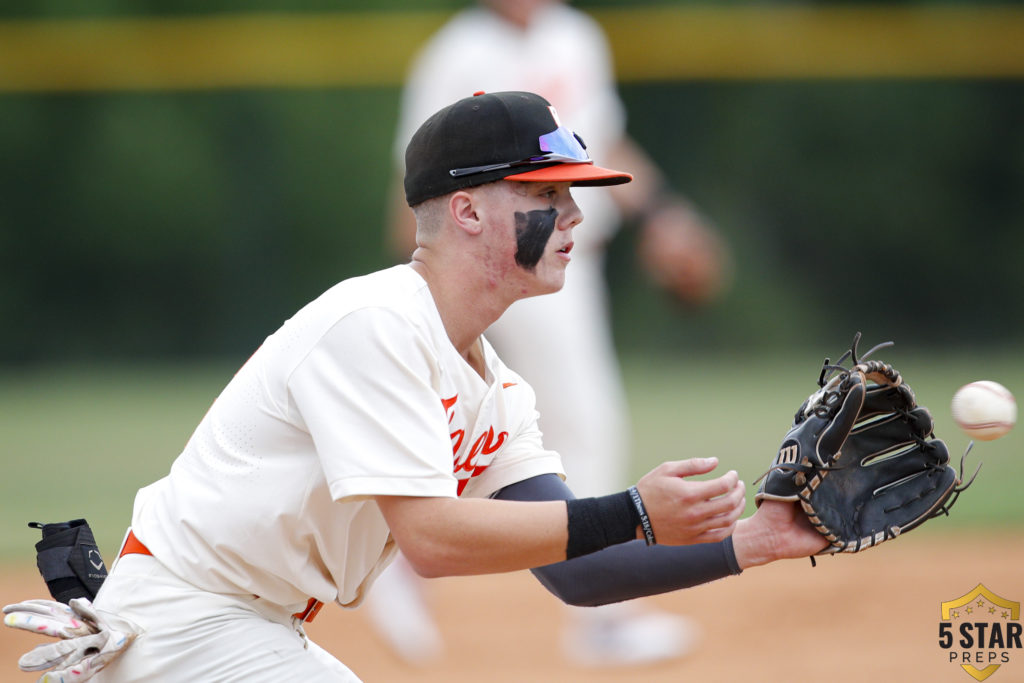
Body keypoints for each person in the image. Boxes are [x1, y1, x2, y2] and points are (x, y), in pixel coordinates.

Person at [6, 90, 825, 683]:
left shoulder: (496, 385)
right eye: (546, 193)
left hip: (242, 629)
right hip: (182, 626)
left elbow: (577, 569)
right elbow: (431, 541)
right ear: (466, 211)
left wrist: (753, 543)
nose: (575, 215)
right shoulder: (377, 322)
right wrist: (638, 509)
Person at [371, 0, 732, 667]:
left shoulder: (577, 36)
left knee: (488, 426)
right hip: (502, 259)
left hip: (571, 262)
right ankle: (602, 616)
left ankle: (389, 554)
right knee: (580, 424)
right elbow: (415, 179)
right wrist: (416, 292)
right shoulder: (456, 53)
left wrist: (660, 216)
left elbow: (601, 144)